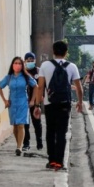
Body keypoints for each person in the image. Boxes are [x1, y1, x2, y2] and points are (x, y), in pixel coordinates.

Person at [33, 40, 83, 170]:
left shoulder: (45, 65)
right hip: (64, 104)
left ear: (53, 51)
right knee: (62, 132)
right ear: (66, 52)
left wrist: (37, 105)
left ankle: (52, 160)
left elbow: (40, 87)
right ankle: (60, 162)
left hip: (49, 104)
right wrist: (80, 102)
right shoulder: (72, 66)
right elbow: (79, 88)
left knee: (50, 131)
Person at [0, 56, 38, 156]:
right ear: (12, 65)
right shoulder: (9, 77)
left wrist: (32, 100)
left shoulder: (26, 76)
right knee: (15, 125)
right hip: (12, 103)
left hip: (23, 103)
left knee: (21, 125)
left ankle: (19, 147)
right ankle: (18, 144)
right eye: (16, 63)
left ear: (22, 65)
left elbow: (36, 86)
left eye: (19, 63)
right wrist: (5, 100)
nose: (17, 65)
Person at [22, 52, 43, 151]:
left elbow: (41, 87)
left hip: (36, 101)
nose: (30, 62)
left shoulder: (38, 72)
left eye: (32, 60)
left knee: (37, 123)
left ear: (35, 61)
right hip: (24, 101)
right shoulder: (22, 72)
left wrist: (38, 99)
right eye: (28, 60)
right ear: (25, 61)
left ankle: (39, 142)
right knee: (25, 124)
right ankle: (26, 143)